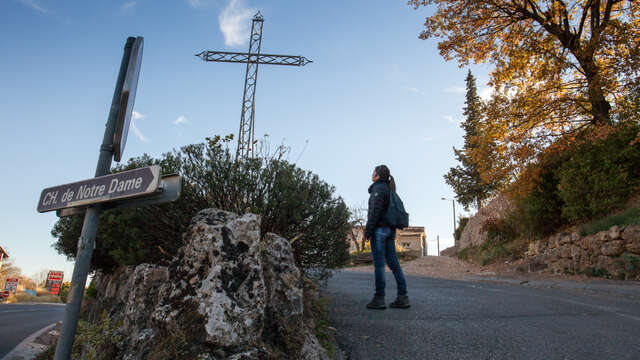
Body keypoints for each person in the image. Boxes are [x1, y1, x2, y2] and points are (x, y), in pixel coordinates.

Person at [364, 165, 410, 309]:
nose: (372, 174)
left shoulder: (378, 189)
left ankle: (379, 299)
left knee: (379, 265)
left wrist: (368, 231)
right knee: (394, 265)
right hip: (390, 231)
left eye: (373, 172)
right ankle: (403, 298)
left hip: (380, 231)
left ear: (377, 176)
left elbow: (375, 212)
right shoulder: (390, 190)